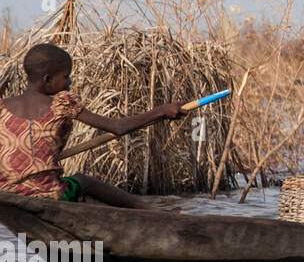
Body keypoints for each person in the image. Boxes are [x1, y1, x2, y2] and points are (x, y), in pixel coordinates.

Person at [0, 43, 183, 208]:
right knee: (84, 181)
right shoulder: (61, 103)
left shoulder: (2, 107)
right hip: (51, 195)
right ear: (47, 80)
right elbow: (118, 127)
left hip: (6, 195)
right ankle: (154, 212)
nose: (69, 82)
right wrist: (161, 111)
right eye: (66, 77)